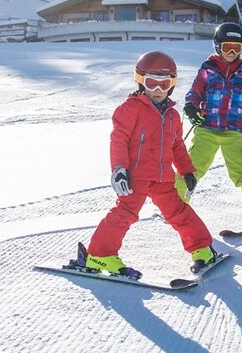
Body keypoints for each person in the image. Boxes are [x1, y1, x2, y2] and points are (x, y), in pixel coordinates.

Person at [78, 51, 217, 276]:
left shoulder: (172, 115)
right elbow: (119, 140)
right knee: (125, 213)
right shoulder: (130, 109)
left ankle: (202, 248)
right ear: (141, 81)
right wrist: (120, 170)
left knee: (179, 211)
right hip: (136, 178)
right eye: (152, 84)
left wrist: (187, 171)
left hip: (163, 178)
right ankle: (100, 256)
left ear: (172, 85)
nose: (158, 90)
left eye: (165, 84)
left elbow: (177, 147)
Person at [177, 21, 242, 227]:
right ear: (217, 47)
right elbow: (194, 93)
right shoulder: (207, 71)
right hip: (207, 129)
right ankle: (175, 204)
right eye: (227, 47)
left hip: (234, 131)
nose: (232, 52)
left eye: (237, 48)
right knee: (190, 168)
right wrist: (191, 108)